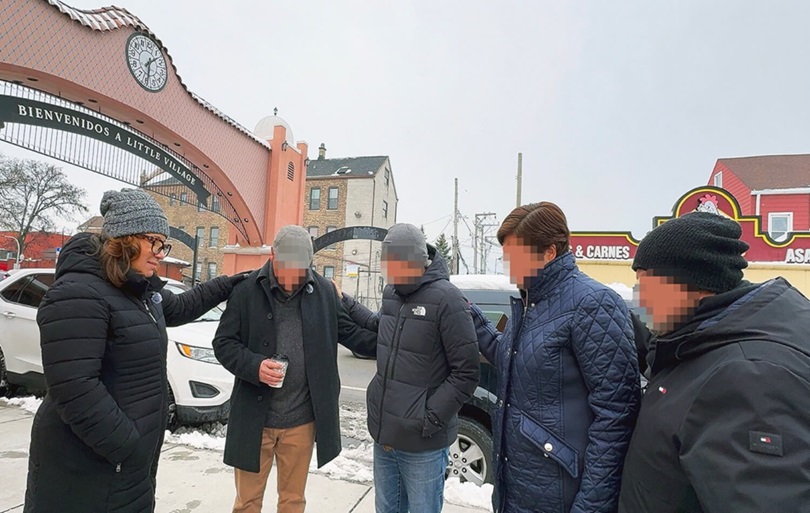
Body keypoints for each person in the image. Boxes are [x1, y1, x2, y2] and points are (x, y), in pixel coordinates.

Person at [24, 188, 246, 513]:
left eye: (163, 244)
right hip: (86, 469)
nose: (161, 252)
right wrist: (128, 446)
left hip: (124, 469)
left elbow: (183, 306)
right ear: (125, 240)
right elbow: (75, 389)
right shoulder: (78, 294)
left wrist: (230, 283)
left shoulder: (138, 292)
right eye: (154, 241)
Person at [618, 212, 810, 512]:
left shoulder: (750, 376)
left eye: (646, 285)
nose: (639, 299)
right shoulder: (698, 339)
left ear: (693, 285)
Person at [468, 202, 640, 513]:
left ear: (549, 252)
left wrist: (590, 506)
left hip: (561, 495)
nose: (509, 271)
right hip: (519, 488)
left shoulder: (594, 304)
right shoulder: (531, 304)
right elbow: (515, 361)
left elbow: (616, 416)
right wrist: (472, 318)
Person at [212, 225, 378, 513]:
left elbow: (354, 335)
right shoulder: (246, 291)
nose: (294, 277)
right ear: (273, 255)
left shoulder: (324, 291)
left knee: (292, 501)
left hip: (301, 422)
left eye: (301, 268)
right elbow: (223, 343)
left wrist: (398, 340)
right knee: (247, 502)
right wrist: (255, 366)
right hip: (255, 420)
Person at [337, 223, 480, 513]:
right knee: (387, 509)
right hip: (385, 434)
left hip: (423, 444)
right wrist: (345, 302)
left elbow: (466, 372)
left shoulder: (447, 299)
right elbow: (380, 326)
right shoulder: (392, 293)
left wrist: (428, 418)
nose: (388, 269)